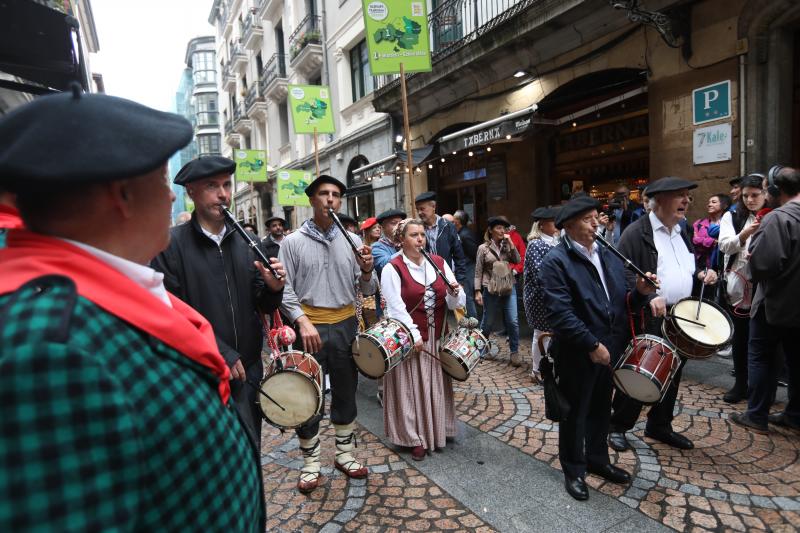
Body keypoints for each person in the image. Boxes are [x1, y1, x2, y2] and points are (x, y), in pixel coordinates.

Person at [0, 89, 265, 530]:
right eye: (163, 181)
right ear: (121, 195)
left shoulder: (104, 290)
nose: (169, 199)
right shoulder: (51, 350)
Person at [152, 156, 286, 442]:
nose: (223, 194)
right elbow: (170, 313)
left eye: (226, 184)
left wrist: (274, 288)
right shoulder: (170, 246)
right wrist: (221, 352)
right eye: (212, 186)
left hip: (248, 370)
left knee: (250, 446)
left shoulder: (247, 244)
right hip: (201, 372)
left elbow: (261, 305)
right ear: (191, 191)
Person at [540, 196, 658, 501]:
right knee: (575, 412)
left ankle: (597, 459)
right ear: (568, 225)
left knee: (600, 408)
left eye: (597, 217)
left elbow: (620, 302)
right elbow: (560, 313)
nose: (596, 223)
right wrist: (591, 344)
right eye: (588, 219)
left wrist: (640, 294)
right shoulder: (556, 261)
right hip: (578, 351)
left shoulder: (606, 253)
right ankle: (574, 470)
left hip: (610, 345)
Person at [278, 175, 377, 493]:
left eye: (336, 195)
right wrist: (301, 321)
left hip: (346, 322)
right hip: (310, 327)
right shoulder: (291, 242)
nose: (330, 200)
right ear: (312, 200)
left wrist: (366, 269)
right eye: (323, 194)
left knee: (347, 389)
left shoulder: (350, 239)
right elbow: (284, 289)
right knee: (308, 394)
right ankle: (310, 463)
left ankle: (345, 454)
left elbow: (366, 290)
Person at [608, 177, 718, 453]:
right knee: (642, 370)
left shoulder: (682, 230)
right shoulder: (637, 232)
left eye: (687, 196)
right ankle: (617, 425)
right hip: (650, 316)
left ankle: (659, 424)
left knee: (673, 372)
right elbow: (620, 273)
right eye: (679, 196)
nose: (686, 201)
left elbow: (688, 265)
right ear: (658, 201)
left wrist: (702, 274)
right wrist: (647, 295)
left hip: (680, 316)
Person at [381, 218, 465, 460]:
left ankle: (438, 429)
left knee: (435, 386)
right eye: (413, 235)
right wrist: (415, 335)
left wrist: (455, 294)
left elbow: (453, 302)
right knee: (410, 388)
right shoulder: (392, 267)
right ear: (401, 239)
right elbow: (396, 308)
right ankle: (413, 436)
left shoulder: (438, 262)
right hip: (409, 339)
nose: (420, 239)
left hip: (436, 336)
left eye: (422, 235)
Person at [730, 167, 800, 433]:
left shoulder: (777, 219)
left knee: (761, 356)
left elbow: (763, 265)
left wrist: (753, 257)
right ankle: (795, 415)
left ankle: (756, 415)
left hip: (773, 304)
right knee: (795, 361)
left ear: (773, 191)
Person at [717, 176, 764, 403]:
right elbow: (724, 244)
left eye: (755, 195)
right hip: (739, 284)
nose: (750, 200)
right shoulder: (733, 216)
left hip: (765, 285)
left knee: (763, 338)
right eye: (746, 196)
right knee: (741, 336)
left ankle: (761, 387)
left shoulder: (775, 214)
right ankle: (740, 384)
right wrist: (746, 234)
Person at [474, 216, 521, 365]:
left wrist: (511, 244)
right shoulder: (483, 248)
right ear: (491, 230)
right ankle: (482, 349)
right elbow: (478, 271)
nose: (502, 231)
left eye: (504, 228)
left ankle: (514, 353)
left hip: (508, 287)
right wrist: (477, 291)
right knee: (487, 322)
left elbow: (517, 260)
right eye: (499, 228)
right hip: (490, 288)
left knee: (512, 321)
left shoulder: (507, 245)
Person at [523, 206, 560, 382]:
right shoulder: (535, 244)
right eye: (553, 221)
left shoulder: (556, 241)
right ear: (542, 225)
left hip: (553, 294)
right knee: (541, 333)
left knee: (550, 333)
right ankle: (537, 371)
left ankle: (547, 367)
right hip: (538, 297)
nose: (557, 225)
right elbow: (540, 273)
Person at [414, 191, 468, 288]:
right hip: (424, 281)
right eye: (417, 209)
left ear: (433, 207)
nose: (419, 213)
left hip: (446, 280)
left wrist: (460, 282)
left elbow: (459, 256)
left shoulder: (448, 226)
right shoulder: (417, 228)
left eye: (422, 209)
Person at [692, 193, 731, 269]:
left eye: (714, 202)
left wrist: (703, 241)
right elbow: (695, 240)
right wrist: (713, 241)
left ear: (725, 206)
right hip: (700, 264)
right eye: (709, 202)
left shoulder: (728, 224)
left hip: (721, 264)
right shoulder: (699, 223)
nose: (709, 205)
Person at [453, 209, 479, 318]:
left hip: (469, 268)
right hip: (466, 267)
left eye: (454, 219)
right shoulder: (460, 233)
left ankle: (474, 326)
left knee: (467, 297)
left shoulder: (465, 235)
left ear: (458, 221)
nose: (452, 221)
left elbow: (474, 253)